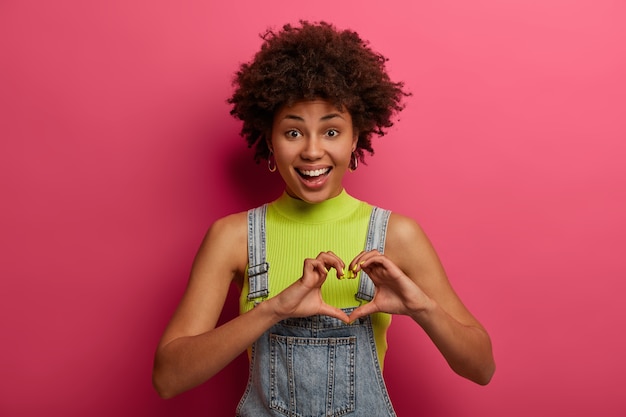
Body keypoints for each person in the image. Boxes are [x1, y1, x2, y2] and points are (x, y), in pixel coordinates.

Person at [152, 21, 495, 416]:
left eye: (331, 132)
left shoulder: (396, 235)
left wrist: (423, 309)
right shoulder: (232, 238)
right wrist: (274, 308)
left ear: (355, 138)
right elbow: (168, 378)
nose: (313, 151)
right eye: (293, 133)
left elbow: (481, 368)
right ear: (269, 140)